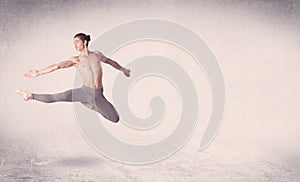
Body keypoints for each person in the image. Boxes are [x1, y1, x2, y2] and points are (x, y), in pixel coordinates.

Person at [16, 33, 131, 123]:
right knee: (58, 96)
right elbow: (57, 66)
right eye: (73, 43)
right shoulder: (75, 60)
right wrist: (38, 72)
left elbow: (111, 62)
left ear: (84, 42)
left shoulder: (97, 54)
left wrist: (123, 70)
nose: (75, 45)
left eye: (77, 42)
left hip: (97, 94)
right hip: (84, 91)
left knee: (115, 118)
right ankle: (31, 96)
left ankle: (91, 105)